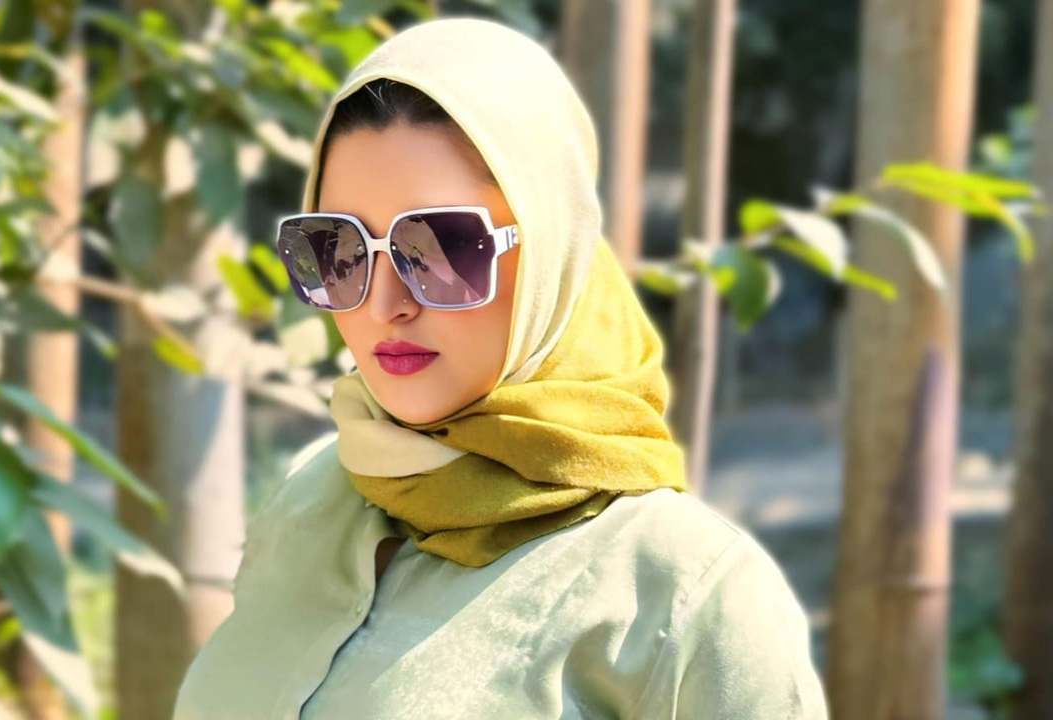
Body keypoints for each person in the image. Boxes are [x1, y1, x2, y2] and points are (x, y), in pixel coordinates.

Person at [172, 16, 829, 720]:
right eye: (337, 248)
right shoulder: (314, 494)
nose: (384, 304)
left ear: (550, 249)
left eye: (444, 246)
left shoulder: (687, 598)